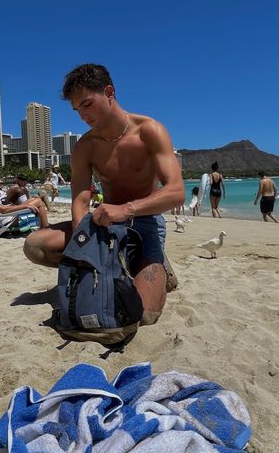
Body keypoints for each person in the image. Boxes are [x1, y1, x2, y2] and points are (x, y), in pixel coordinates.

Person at [23, 63, 185, 325]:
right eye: (77, 110)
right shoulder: (85, 147)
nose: (82, 116)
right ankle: (119, 264)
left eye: (87, 104)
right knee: (35, 246)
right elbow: (81, 198)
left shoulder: (148, 131)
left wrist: (127, 209)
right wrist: (82, 239)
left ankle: (154, 263)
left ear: (109, 92)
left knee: (143, 315)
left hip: (144, 222)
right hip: (103, 225)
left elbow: (176, 193)